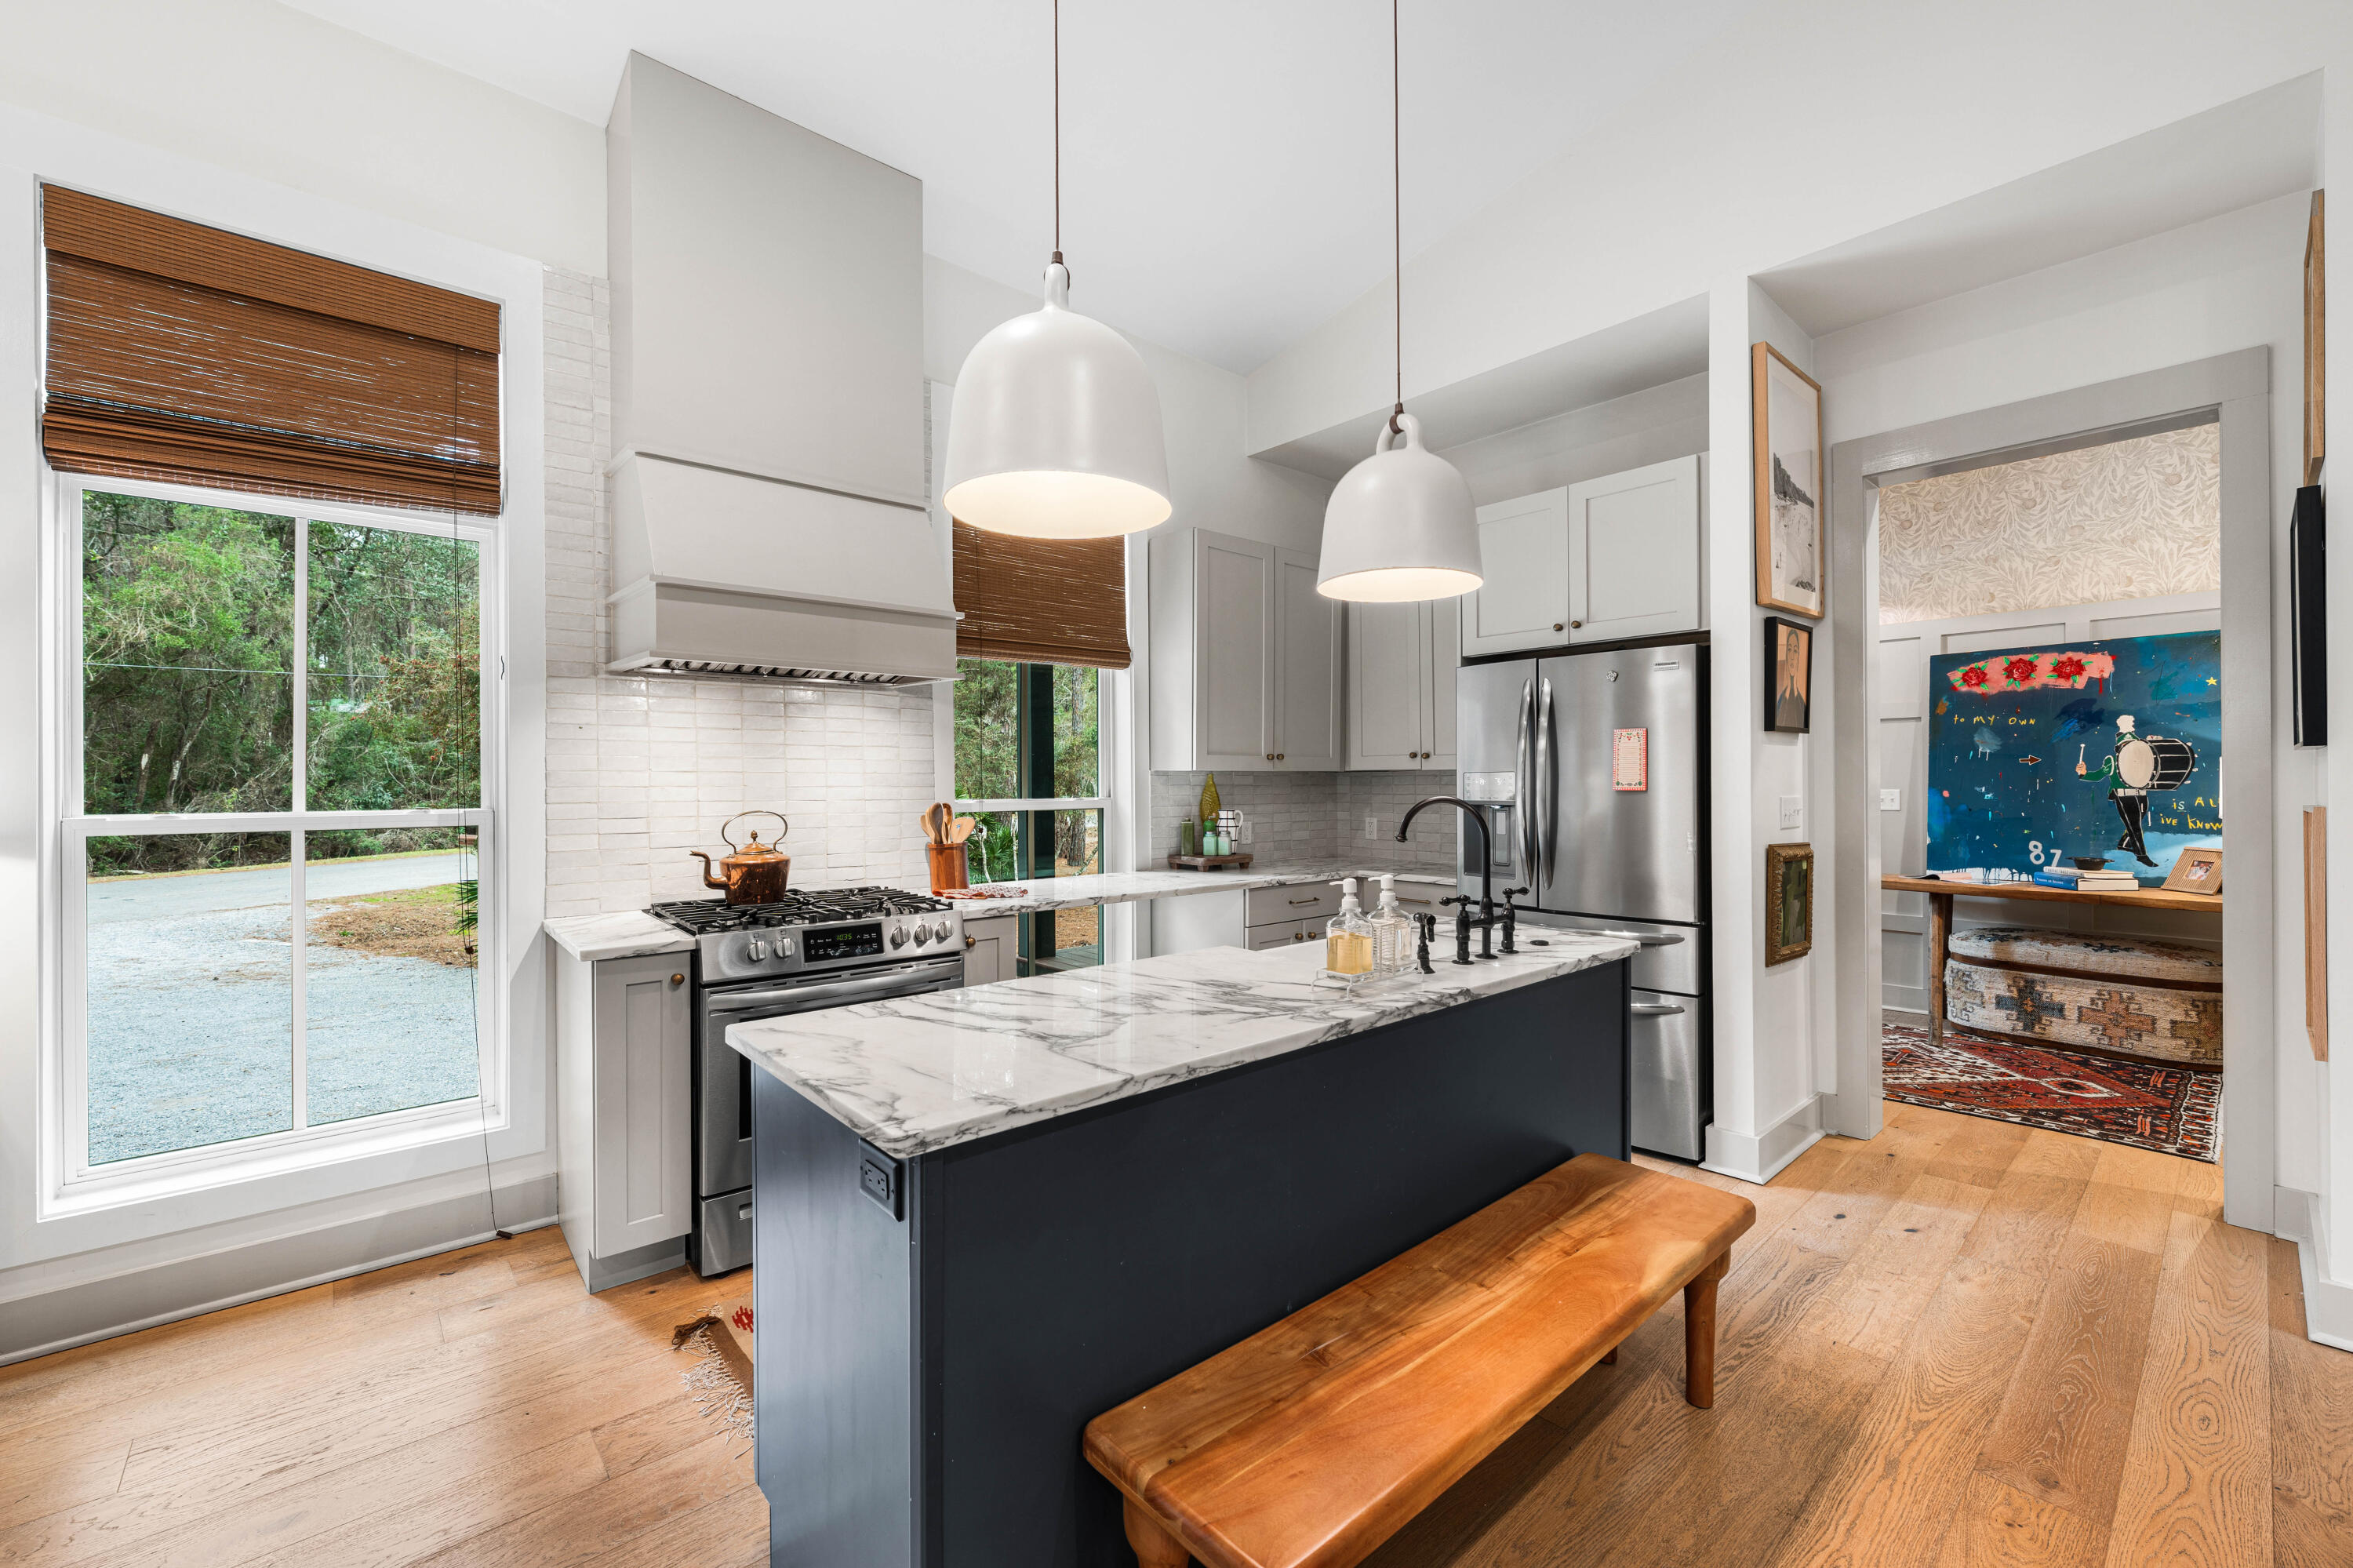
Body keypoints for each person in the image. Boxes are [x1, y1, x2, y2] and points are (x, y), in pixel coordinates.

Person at [2075, 714, 2155, 867]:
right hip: (2125, 797)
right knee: (2135, 826)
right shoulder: (2112, 761)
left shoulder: (2141, 761)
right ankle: (2141, 855)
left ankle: (2124, 844)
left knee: (2136, 823)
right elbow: (2099, 775)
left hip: (2141, 795)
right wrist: (2084, 773)